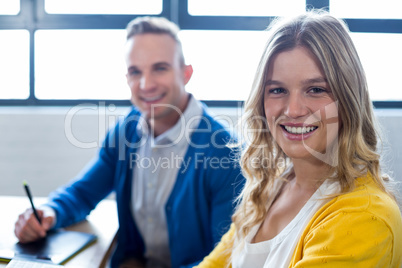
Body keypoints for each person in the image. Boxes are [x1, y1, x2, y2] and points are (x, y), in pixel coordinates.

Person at [14, 16, 243, 268]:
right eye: (135, 72)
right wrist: (48, 213)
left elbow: (226, 259)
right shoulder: (125, 133)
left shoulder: (226, 152)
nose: (146, 84)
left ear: (186, 73)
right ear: (127, 78)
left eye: (160, 68)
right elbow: (82, 193)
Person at [196, 11, 402, 268]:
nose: (293, 110)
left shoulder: (365, 216)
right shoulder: (271, 186)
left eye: (316, 89)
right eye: (277, 90)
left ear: (348, 99)